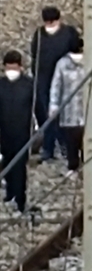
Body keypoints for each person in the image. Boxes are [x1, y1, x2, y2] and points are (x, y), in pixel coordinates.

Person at [30, 6, 80, 161]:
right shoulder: (39, 35)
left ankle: (66, 146)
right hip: (44, 79)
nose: (50, 25)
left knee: (65, 114)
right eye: (48, 23)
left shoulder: (69, 33)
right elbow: (35, 55)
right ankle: (49, 148)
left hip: (65, 78)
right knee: (47, 115)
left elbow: (75, 53)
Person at [0, 51, 34, 212]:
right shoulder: (1, 84)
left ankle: (21, 199)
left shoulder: (29, 84)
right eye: (8, 68)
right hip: (3, 132)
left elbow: (38, 107)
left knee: (20, 166)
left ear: (20, 67)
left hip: (23, 132)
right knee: (7, 161)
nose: (11, 72)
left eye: (13, 68)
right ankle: (10, 192)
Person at [48, 38, 86, 173]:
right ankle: (86, 166)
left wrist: (53, 105)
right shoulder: (90, 62)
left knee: (71, 142)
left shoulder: (62, 64)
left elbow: (56, 86)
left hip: (68, 111)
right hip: (86, 110)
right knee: (86, 140)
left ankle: (73, 166)